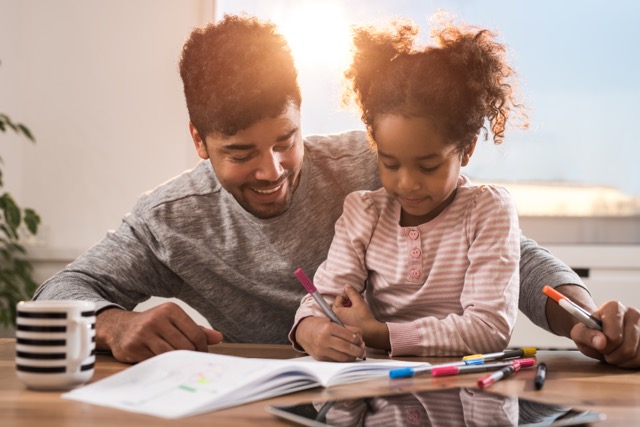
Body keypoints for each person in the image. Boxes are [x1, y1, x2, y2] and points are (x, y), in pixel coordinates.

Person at [32, 14, 640, 368]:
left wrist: (582, 316)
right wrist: (110, 323)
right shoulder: (171, 221)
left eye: (286, 140)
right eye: (240, 153)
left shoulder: (377, 160)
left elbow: (513, 255)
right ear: (199, 140)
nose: (271, 170)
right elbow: (53, 296)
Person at [292, 16, 522, 361]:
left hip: (459, 397)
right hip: (377, 391)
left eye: (428, 166)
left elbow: (489, 329)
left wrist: (379, 334)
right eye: (390, 163)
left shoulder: (487, 211)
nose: (407, 183)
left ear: (468, 148)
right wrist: (310, 328)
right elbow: (325, 298)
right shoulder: (365, 212)